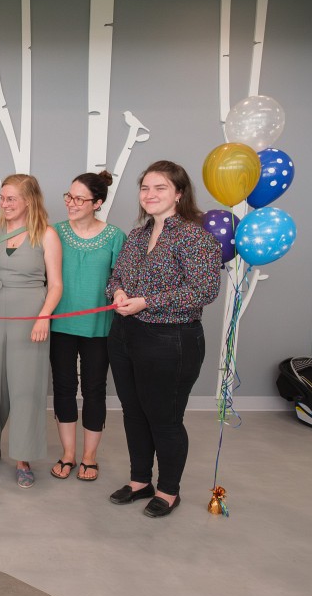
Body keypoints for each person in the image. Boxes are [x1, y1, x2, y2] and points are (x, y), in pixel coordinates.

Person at [106, 160, 221, 518]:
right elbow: (116, 276)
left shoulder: (194, 236)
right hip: (126, 334)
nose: (150, 195)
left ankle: (169, 490)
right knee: (134, 412)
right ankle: (141, 481)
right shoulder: (138, 234)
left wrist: (147, 302)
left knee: (164, 417)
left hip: (170, 339)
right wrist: (119, 292)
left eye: (160, 188)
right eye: (145, 188)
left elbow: (204, 289)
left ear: (179, 193)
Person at [0, 174, 62, 488]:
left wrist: (43, 318)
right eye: (2, 198)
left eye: (12, 199)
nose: (5, 204)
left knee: (26, 386)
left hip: (30, 315)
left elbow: (56, 285)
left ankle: (23, 456)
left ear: (29, 201)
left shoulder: (46, 234)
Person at [49, 171, 126, 482]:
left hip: (99, 328)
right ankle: (68, 454)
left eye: (79, 199)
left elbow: (120, 282)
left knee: (94, 390)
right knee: (64, 388)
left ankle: (89, 458)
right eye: (69, 196)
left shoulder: (115, 237)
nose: (71, 203)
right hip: (60, 326)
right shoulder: (53, 232)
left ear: (97, 203)